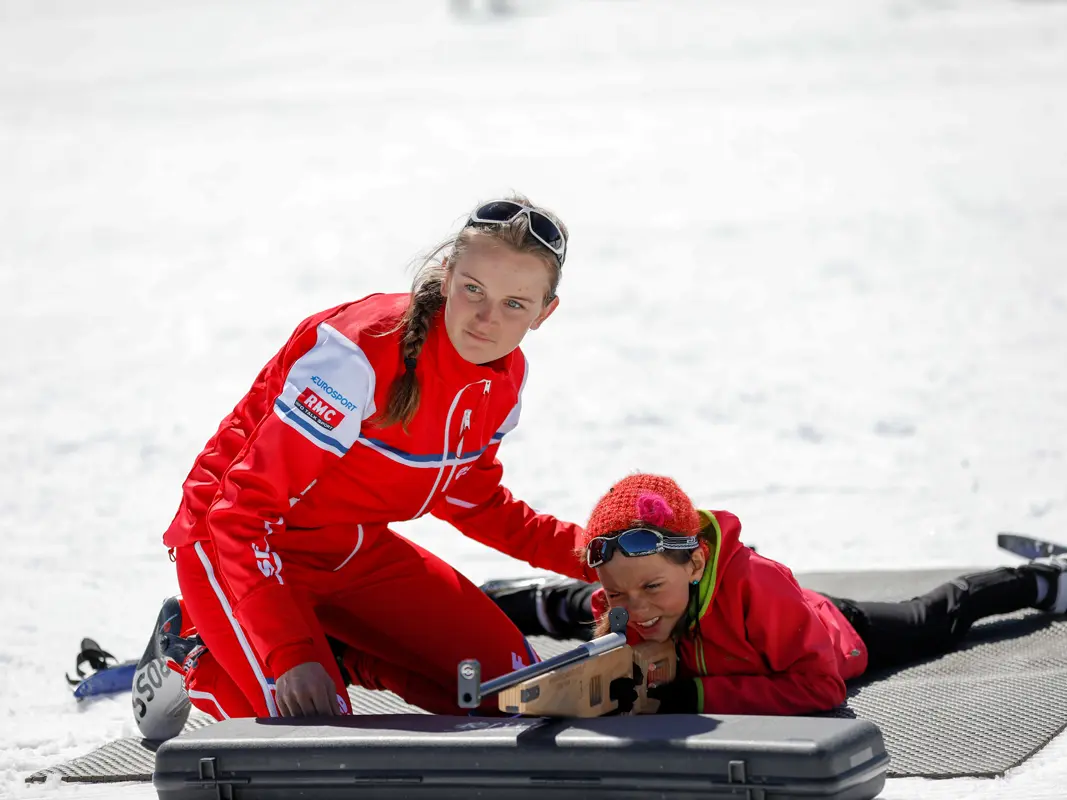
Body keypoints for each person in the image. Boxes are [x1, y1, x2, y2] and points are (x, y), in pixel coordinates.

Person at [138, 194, 601, 738]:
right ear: (447, 274)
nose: (486, 318)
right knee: (317, 736)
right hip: (234, 545)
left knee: (512, 690)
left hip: (348, 546)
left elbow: (472, 501)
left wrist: (603, 558)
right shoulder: (354, 355)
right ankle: (191, 650)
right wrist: (289, 654)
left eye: (514, 304)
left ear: (546, 312)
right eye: (473, 289)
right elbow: (240, 514)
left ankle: (343, 654)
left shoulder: (504, 379)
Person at [481, 473, 1067, 715]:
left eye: (653, 585)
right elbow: (621, 610)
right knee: (580, 609)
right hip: (713, 626)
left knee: (939, 616)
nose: (636, 606)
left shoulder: (758, 587)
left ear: (697, 562)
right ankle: (518, 596)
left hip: (833, 631)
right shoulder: (629, 594)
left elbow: (821, 688)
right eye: (619, 590)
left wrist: (693, 696)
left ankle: (1041, 581)